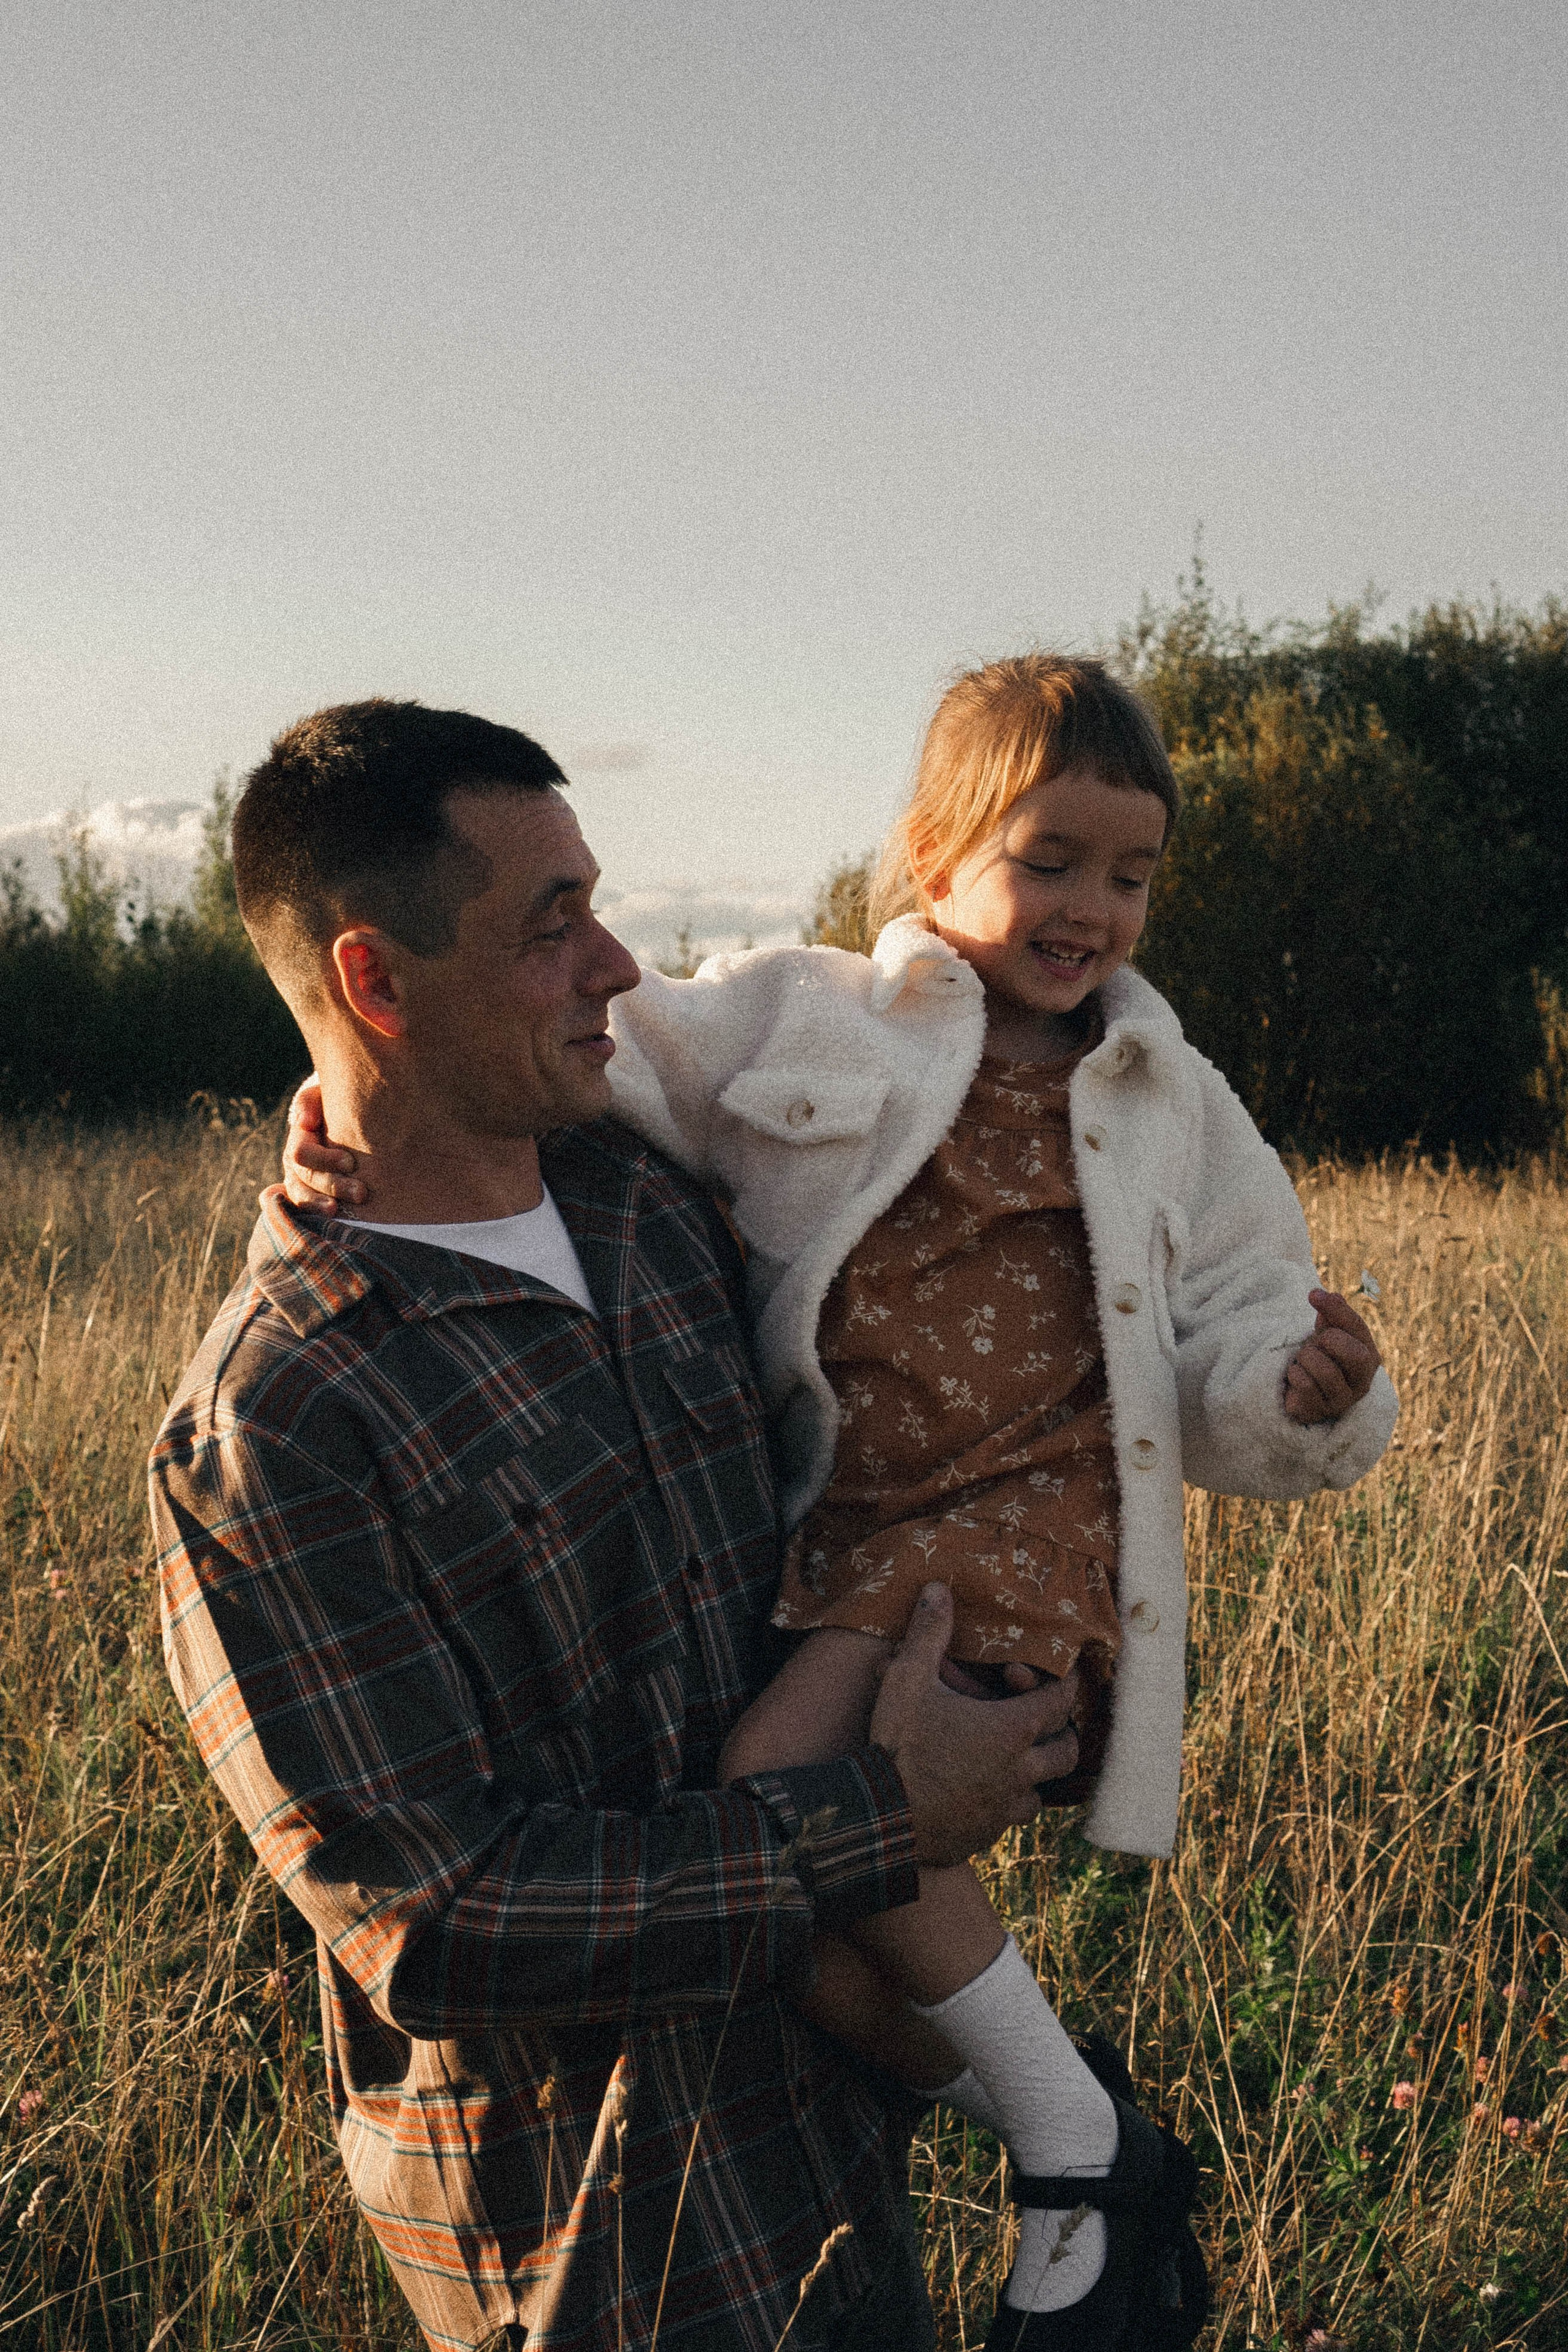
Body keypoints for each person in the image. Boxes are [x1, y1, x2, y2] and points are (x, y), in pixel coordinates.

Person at [288, 657, 1397, 2350]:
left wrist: (1305, 1391)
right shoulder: (806, 1021)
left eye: (1133, 874)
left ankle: (1071, 2148)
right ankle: (1073, 2117)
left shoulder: (1171, 1103)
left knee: (777, 1787)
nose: (1095, 908)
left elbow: (1243, 1328)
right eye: (1052, 860)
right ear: (934, 851)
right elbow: (620, 1052)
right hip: (852, 1554)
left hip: (1014, 1545)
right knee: (810, 1930)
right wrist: (319, 1142)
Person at [151, 697, 1095, 2352]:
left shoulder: (656, 1209)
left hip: (841, 2155)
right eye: (552, 925)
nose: (615, 965)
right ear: (375, 983)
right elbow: (435, 1923)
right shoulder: (277, 1426)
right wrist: (880, 1813)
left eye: (597, 902)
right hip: (602, 2259)